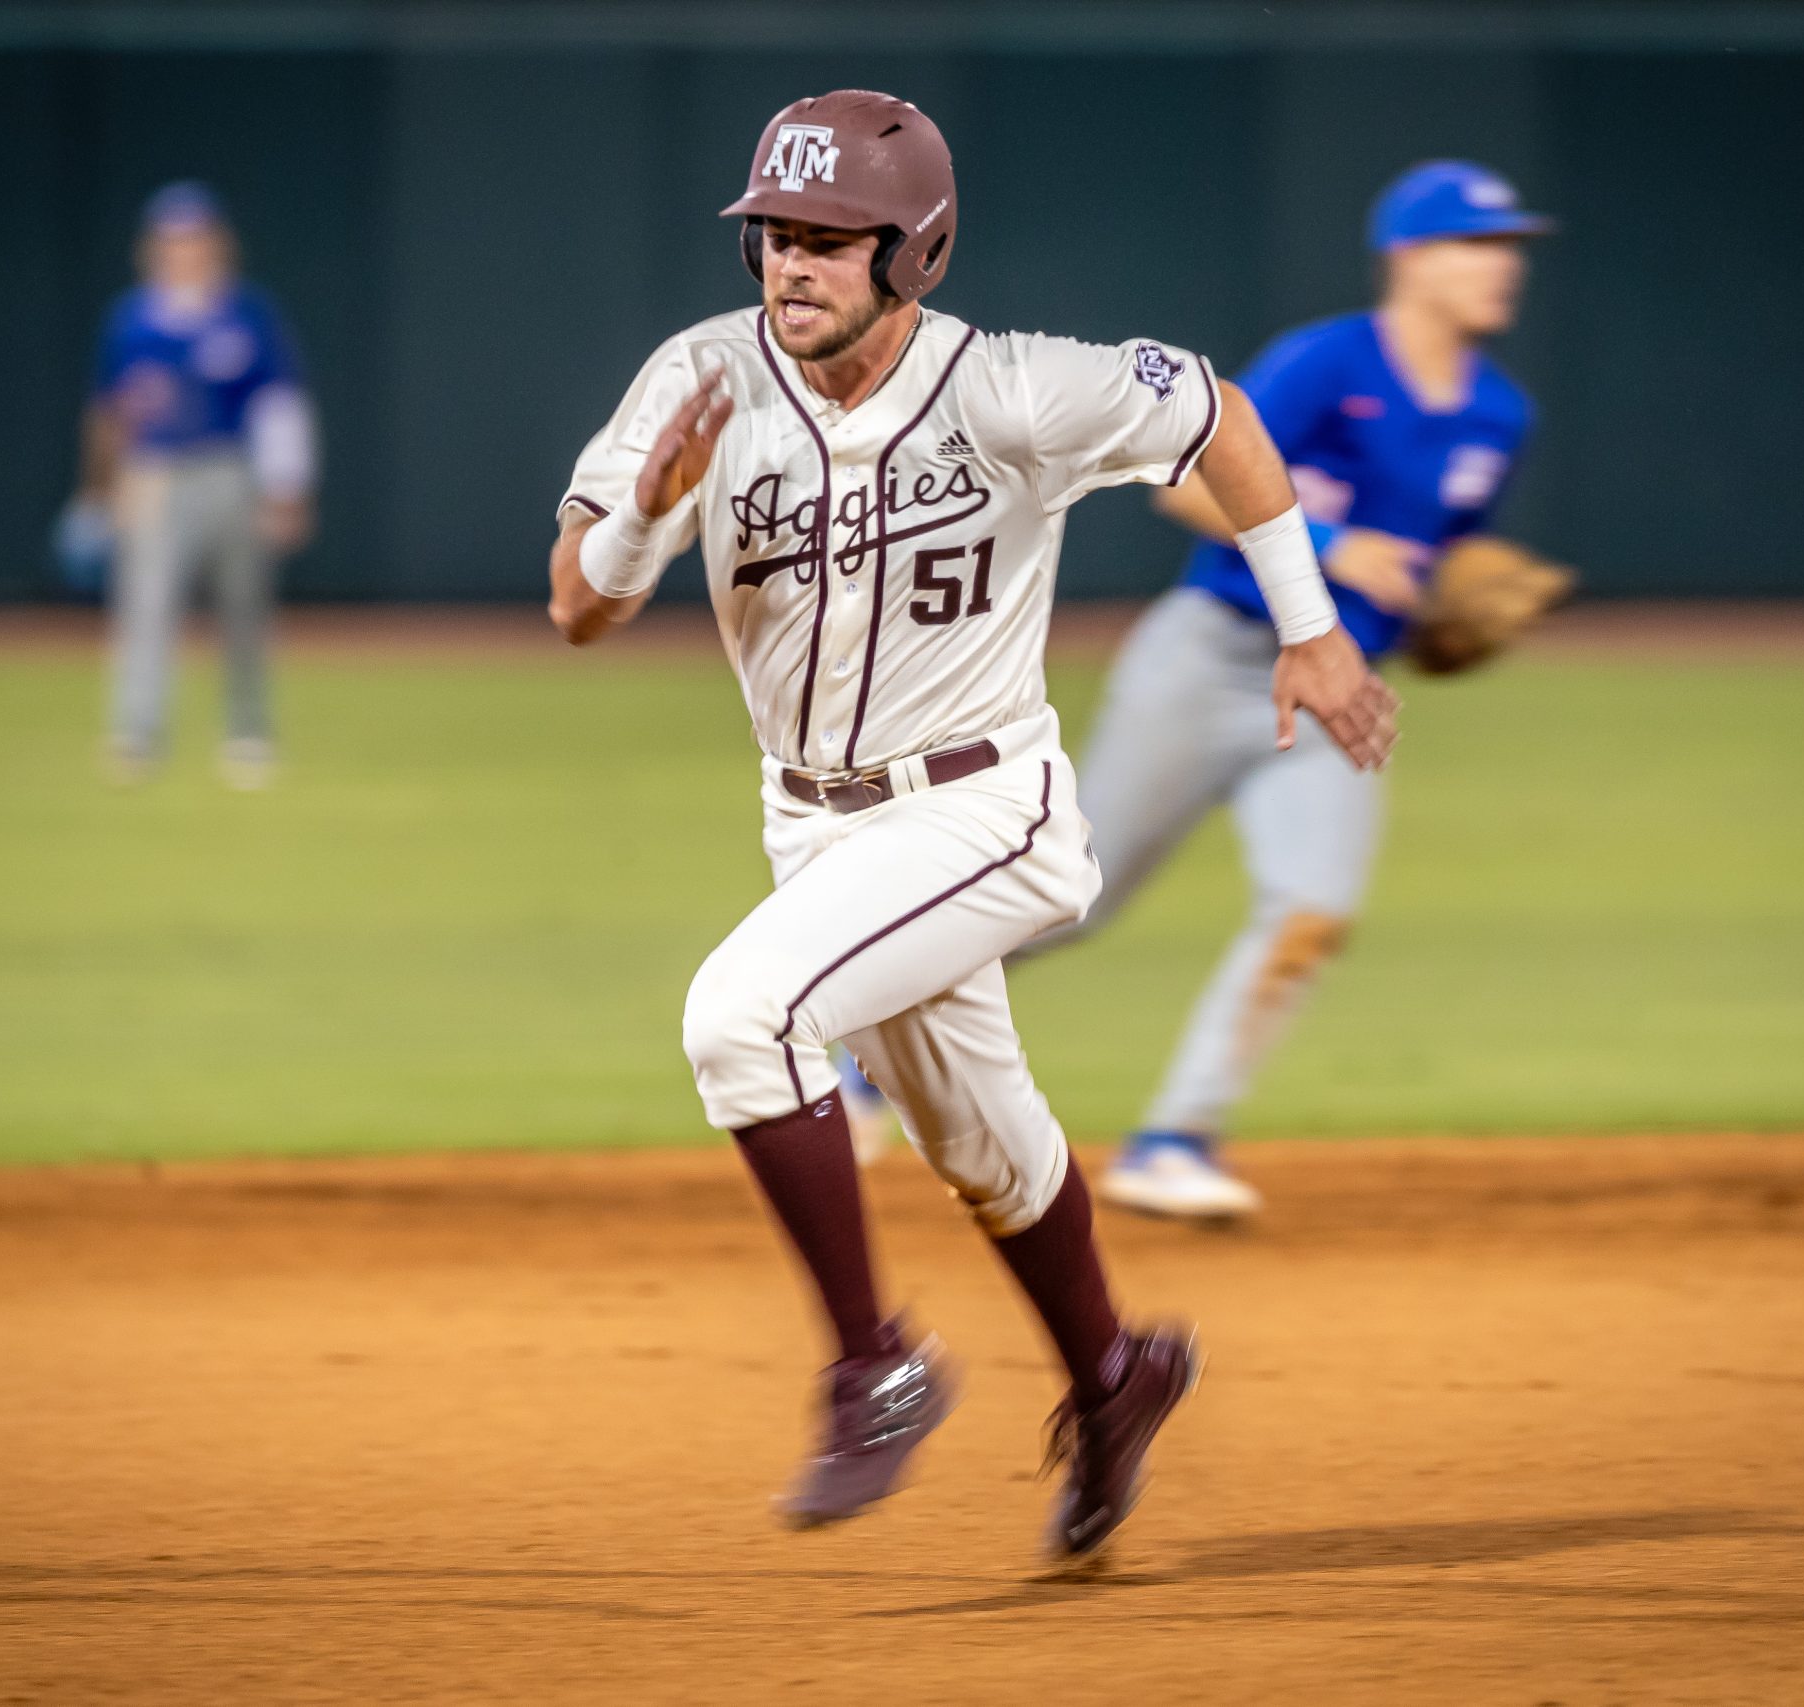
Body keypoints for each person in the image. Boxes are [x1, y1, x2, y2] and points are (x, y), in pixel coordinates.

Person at [547, 91, 1397, 1556]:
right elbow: (578, 605)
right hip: (813, 827)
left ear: (914, 252)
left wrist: (1309, 626)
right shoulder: (699, 376)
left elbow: (1219, 414)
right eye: (773, 235)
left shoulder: (1011, 387)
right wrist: (641, 515)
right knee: (988, 1150)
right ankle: (1116, 1376)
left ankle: (872, 1362)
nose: (790, 265)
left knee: (742, 1021)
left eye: (830, 239)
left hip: (986, 804)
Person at [1020, 161, 1547, 1222]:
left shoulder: (1497, 415)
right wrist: (1333, 543)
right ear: (1407, 258)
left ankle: (1173, 1138)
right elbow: (1180, 480)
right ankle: (867, 1056)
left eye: (1509, 248)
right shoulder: (1325, 363)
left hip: (1326, 695)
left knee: (1313, 909)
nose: (1500, 268)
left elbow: (1429, 570)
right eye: (1475, 245)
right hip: (1208, 657)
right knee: (1071, 896)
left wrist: (1452, 610)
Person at [65, 182, 317, 789]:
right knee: (145, 606)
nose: (185, 250)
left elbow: (279, 406)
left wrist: (287, 488)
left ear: (217, 244)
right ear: (154, 247)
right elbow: (108, 414)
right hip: (154, 474)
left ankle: (247, 731)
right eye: (173, 239)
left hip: (231, 470)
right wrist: (96, 493)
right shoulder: (131, 320)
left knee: (243, 607)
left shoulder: (246, 312)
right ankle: (138, 733)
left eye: (196, 238)